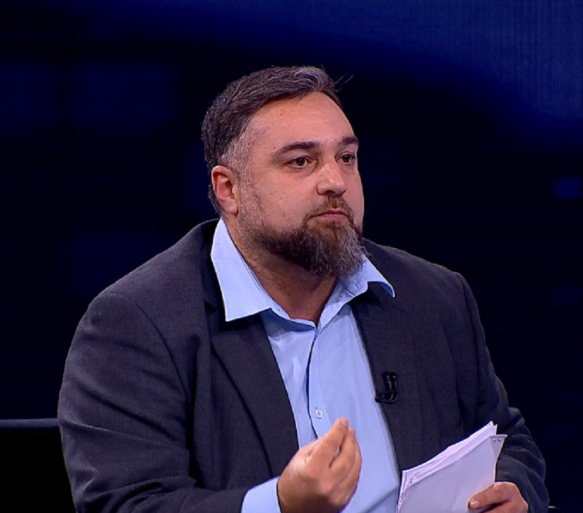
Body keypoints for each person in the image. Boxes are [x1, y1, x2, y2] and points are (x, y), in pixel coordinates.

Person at [58, 66, 548, 513]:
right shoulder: (138, 323)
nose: (336, 181)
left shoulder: (433, 297)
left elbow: (506, 440)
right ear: (228, 189)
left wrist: (512, 491)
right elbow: (127, 505)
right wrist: (280, 505)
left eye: (347, 157)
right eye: (300, 162)